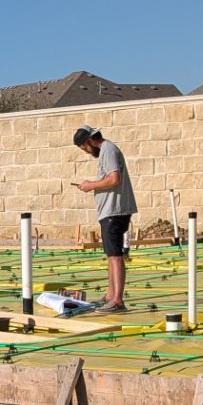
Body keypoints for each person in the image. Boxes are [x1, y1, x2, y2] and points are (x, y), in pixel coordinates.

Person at [70, 125, 135, 313]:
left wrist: (91, 185)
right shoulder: (107, 151)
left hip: (114, 211)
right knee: (111, 255)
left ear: (90, 141)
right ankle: (110, 294)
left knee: (115, 256)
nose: (86, 152)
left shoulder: (108, 149)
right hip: (110, 211)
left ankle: (117, 301)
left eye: (84, 148)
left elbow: (114, 179)